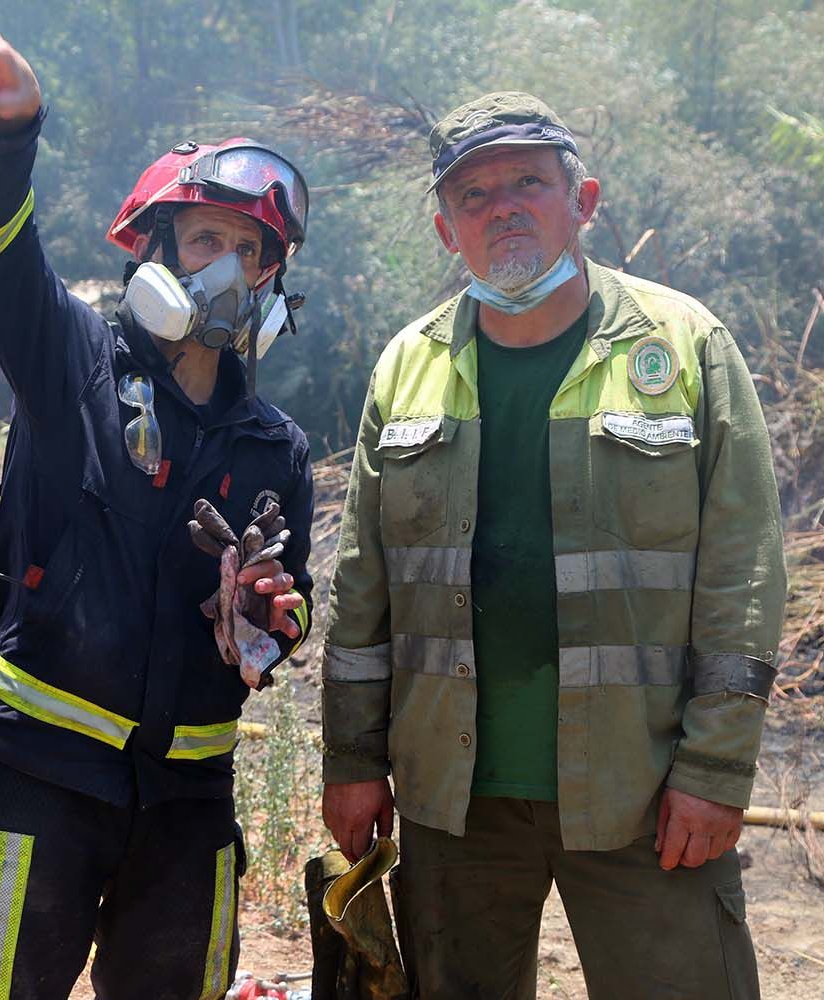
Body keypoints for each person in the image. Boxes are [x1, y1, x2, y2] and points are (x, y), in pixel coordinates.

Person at [319, 91, 786, 998]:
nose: (502, 207)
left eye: (527, 181)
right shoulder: (407, 366)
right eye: (473, 194)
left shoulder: (686, 347)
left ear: (585, 200)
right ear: (448, 229)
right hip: (453, 801)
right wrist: (350, 763)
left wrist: (717, 770)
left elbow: (745, 577)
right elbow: (361, 590)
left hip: (645, 794)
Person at [0, 15, 316, 1000]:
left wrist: (269, 622)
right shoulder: (73, 363)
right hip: (39, 782)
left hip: (190, 805)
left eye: (249, 249)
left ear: (272, 277)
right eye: (206, 238)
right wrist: (8, 131)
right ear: (158, 250)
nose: (227, 264)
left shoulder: (278, 451)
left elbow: (278, 627)